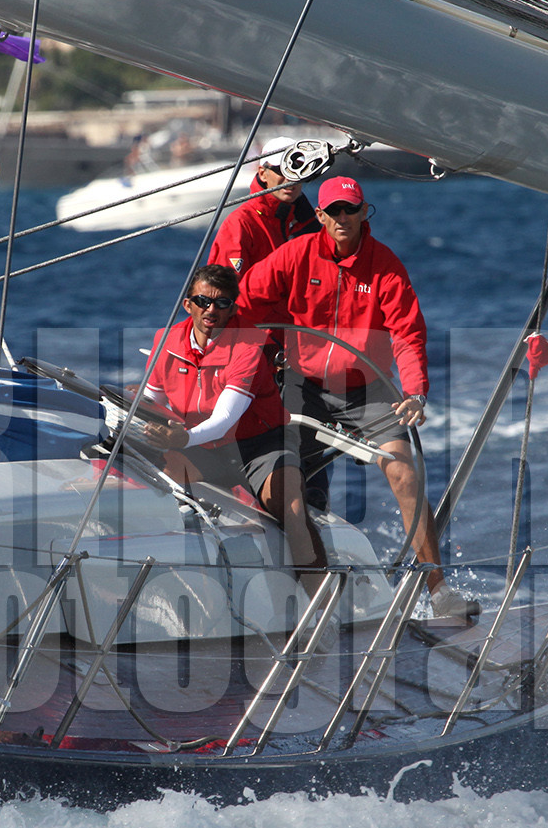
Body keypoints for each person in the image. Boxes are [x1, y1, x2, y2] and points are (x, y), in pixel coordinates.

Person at [239, 177, 478, 619]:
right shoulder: (296, 254)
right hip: (301, 385)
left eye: (350, 209)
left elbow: (408, 334)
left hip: (367, 390)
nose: (342, 219)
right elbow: (246, 298)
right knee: (285, 482)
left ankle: (439, 590)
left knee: (404, 472)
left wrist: (415, 391)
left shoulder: (384, 265)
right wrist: (243, 348)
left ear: (365, 211)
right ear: (322, 216)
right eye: (333, 211)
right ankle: (294, 594)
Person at [132, 264, 325, 580]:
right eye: (203, 301)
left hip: (260, 446)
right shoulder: (165, 340)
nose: (211, 310)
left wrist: (181, 439)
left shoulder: (249, 345)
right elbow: (152, 400)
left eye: (222, 303)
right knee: (139, 481)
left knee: (289, 506)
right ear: (187, 304)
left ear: (233, 308)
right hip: (199, 445)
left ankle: (321, 606)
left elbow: (224, 420)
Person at [206, 136, 310, 277]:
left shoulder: (307, 220)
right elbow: (226, 292)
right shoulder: (240, 224)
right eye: (281, 170)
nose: (290, 178)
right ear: (263, 174)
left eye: (297, 168)